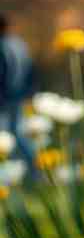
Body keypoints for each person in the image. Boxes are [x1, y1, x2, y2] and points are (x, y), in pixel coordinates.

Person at [0, 14, 36, 168]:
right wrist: (30, 92)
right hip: (20, 95)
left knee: (6, 135)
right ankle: (36, 166)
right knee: (18, 133)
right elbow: (31, 69)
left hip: (5, 98)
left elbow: (3, 73)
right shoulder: (20, 44)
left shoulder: (2, 45)